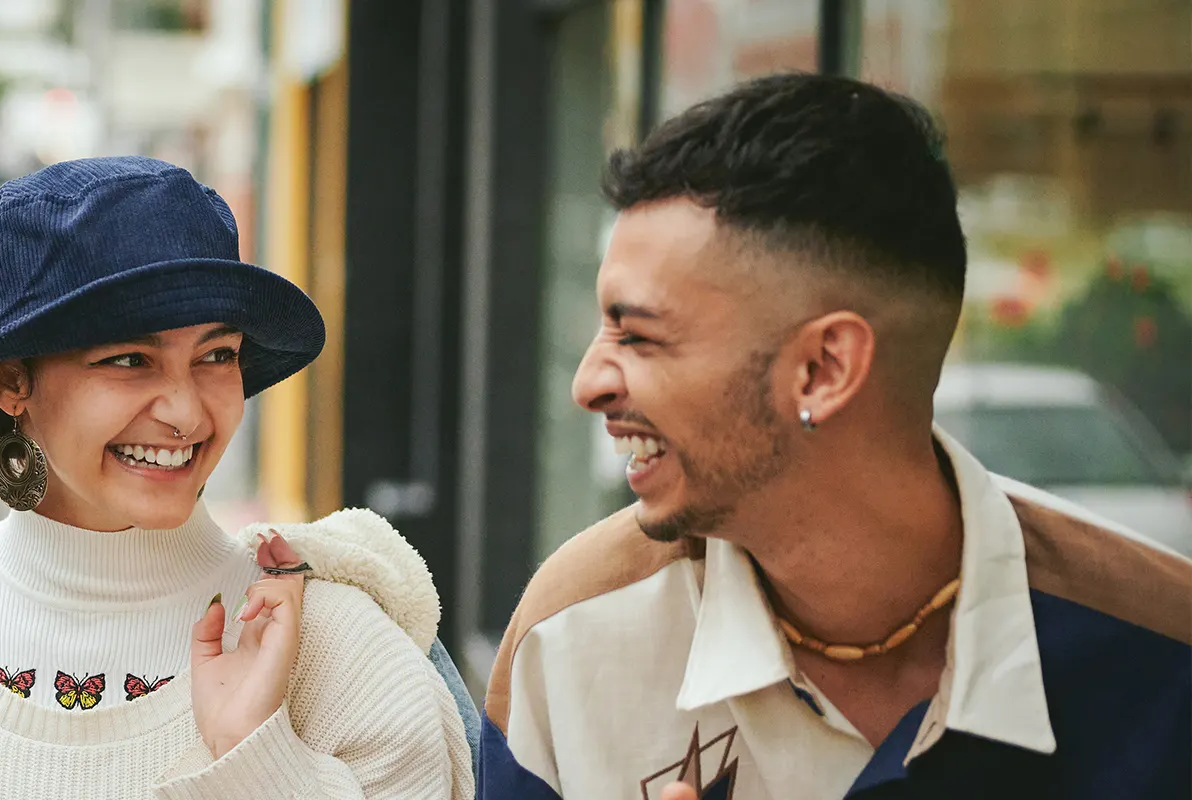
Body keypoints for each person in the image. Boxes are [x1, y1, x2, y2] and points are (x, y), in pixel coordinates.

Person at [479, 74, 1192, 799]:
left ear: (822, 369)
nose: (588, 382)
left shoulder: (1165, 651)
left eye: (638, 335)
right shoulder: (569, 641)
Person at [0, 156, 474, 799]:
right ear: (10, 380)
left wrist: (256, 760)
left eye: (216, 356)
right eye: (129, 360)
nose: (187, 410)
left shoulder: (345, 654)